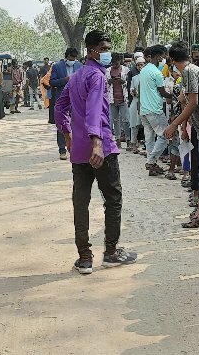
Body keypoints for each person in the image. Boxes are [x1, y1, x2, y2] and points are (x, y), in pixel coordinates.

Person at [54, 30, 139, 274]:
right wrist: (97, 142)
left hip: (80, 149)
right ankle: (111, 252)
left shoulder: (76, 76)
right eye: (103, 49)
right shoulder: (97, 76)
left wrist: (68, 135)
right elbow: (94, 110)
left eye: (108, 48)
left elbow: (59, 108)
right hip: (101, 147)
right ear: (91, 51)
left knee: (81, 202)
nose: (107, 53)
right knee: (113, 199)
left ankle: (84, 257)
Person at [170, 43, 199, 230]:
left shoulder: (189, 72)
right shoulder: (192, 71)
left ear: (172, 60)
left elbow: (193, 103)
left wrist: (174, 124)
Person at [139, 45, 174, 177]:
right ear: (158, 56)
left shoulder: (144, 70)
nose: (164, 58)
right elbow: (163, 92)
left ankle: (152, 165)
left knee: (149, 138)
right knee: (165, 135)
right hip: (155, 109)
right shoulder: (157, 73)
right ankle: (151, 161)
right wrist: (174, 95)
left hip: (144, 109)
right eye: (164, 55)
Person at [50, 48, 81, 158]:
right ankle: (62, 149)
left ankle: (75, 148)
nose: (73, 60)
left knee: (77, 124)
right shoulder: (57, 66)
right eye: (71, 58)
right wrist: (65, 80)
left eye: (74, 58)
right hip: (62, 99)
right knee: (62, 124)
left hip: (76, 99)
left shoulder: (80, 66)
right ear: (66, 56)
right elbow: (52, 82)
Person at [108, 52, 130, 146]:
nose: (115, 65)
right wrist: (110, 81)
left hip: (123, 98)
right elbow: (105, 84)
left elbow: (130, 83)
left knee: (126, 120)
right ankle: (117, 139)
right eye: (113, 63)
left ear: (119, 61)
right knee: (115, 120)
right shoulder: (108, 71)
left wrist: (123, 81)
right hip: (112, 99)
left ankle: (128, 139)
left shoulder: (126, 70)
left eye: (116, 63)